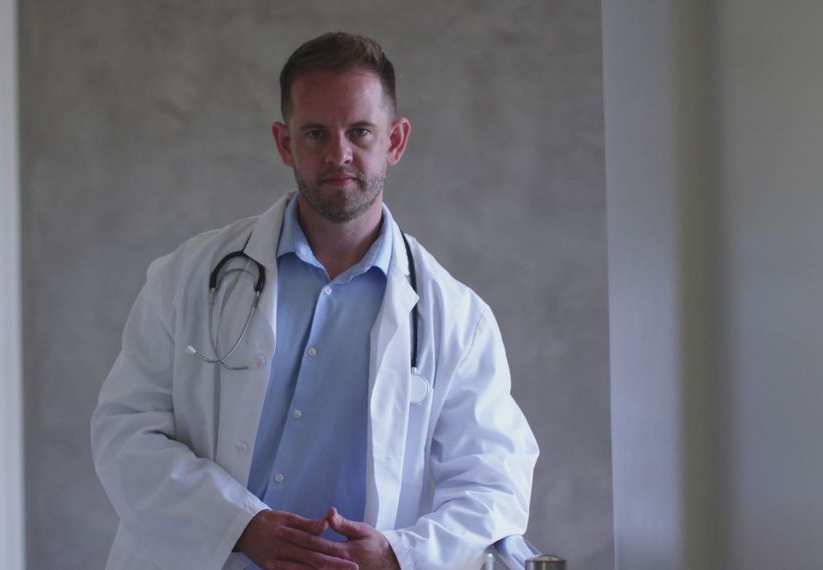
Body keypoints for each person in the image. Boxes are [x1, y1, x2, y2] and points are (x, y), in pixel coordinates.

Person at [91, 32, 538, 570]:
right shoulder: (185, 277)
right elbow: (125, 431)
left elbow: (494, 484)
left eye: (361, 132)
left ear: (394, 141)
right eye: (315, 133)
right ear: (284, 143)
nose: (339, 154)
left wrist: (400, 554)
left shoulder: (457, 318)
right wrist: (239, 525)